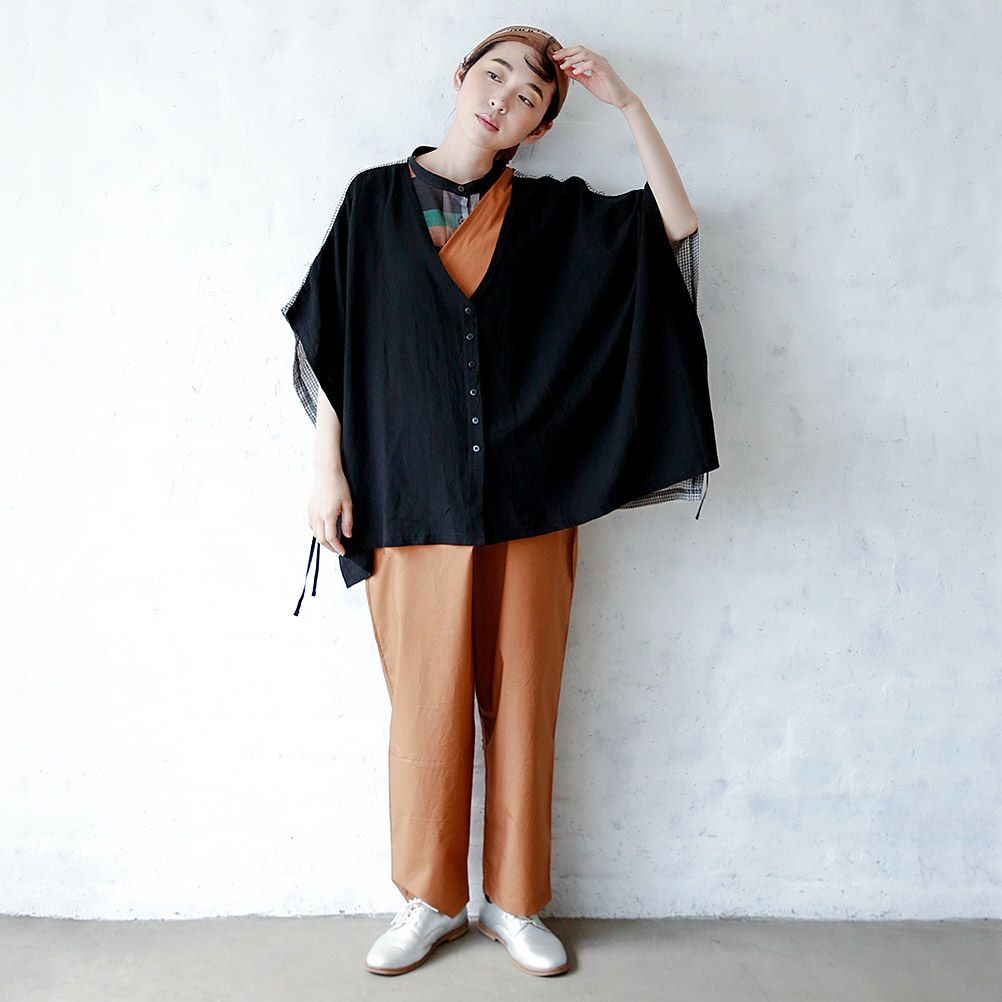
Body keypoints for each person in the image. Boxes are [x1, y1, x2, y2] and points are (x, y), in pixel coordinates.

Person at [281, 24, 718, 978]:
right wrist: (326, 470)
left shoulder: (556, 215)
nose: (504, 99)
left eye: (529, 98)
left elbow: (674, 226)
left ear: (541, 127)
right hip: (408, 498)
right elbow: (334, 342)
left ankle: (515, 902)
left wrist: (629, 104)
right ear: (461, 76)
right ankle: (429, 900)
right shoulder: (372, 201)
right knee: (424, 709)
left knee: (524, 704)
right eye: (495, 76)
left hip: (531, 500)